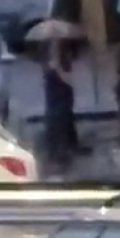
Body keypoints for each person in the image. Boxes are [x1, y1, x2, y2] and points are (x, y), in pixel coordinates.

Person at [43, 40, 78, 174]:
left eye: (55, 49)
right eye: (52, 50)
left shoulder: (63, 64)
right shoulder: (50, 66)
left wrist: (59, 69)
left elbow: (69, 80)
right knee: (56, 128)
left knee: (62, 127)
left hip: (63, 100)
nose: (53, 52)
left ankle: (62, 156)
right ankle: (56, 156)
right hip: (54, 102)